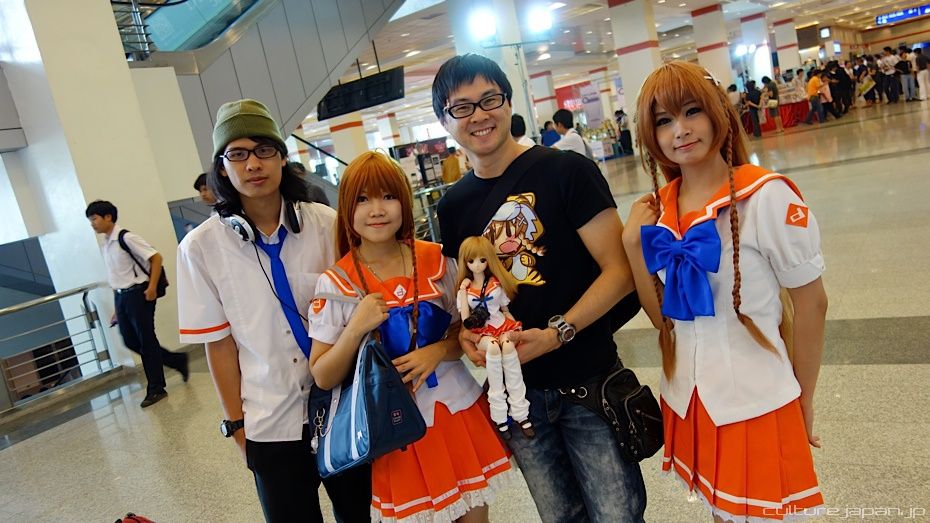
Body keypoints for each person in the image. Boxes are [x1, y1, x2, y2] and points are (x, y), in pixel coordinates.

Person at [431, 53, 646, 522]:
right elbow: (470, 292)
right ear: (445, 122)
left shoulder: (567, 171)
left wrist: (556, 334)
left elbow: (620, 271)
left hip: (588, 380)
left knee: (618, 517)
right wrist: (466, 335)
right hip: (518, 398)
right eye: (461, 107)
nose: (479, 115)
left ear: (508, 103)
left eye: (489, 99)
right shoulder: (452, 207)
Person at [622, 61, 827, 522]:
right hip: (690, 398)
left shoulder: (768, 196)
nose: (680, 130)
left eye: (691, 111)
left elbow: (812, 303)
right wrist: (633, 246)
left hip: (757, 398)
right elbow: (665, 320)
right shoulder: (660, 208)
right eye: (663, 120)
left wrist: (804, 396)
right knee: (723, 512)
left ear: (718, 112)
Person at [175, 99, 370, 523]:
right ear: (221, 167)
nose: (252, 164)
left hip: (344, 408)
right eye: (237, 154)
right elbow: (219, 345)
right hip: (270, 421)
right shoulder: (200, 249)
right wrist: (237, 426)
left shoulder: (326, 224)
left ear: (282, 156)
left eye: (264, 149)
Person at [308, 151, 512, 523]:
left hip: (455, 409)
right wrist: (355, 328)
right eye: (363, 199)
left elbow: (466, 331)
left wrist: (437, 351)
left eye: (388, 196)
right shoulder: (336, 283)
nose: (377, 210)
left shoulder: (438, 261)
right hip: (392, 427)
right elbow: (322, 374)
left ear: (404, 202)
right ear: (347, 209)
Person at [85, 200, 188, 408]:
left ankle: (156, 388)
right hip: (122, 296)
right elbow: (116, 276)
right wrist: (117, 307)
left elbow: (156, 258)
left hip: (139, 293)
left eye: (94, 219)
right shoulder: (106, 244)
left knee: (146, 340)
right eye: (90, 220)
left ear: (108, 217)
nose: (92, 224)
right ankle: (176, 360)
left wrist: (152, 287)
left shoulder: (126, 238)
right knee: (130, 340)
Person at [456, 235, 533, 439]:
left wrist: (517, 330)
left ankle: (521, 413)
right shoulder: (466, 290)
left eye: (482, 260)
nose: (477, 265)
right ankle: (499, 416)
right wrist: (462, 291)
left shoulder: (496, 284)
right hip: (481, 330)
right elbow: (465, 320)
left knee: (507, 348)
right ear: (465, 262)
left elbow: (505, 309)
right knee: (492, 350)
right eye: (471, 260)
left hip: (501, 324)